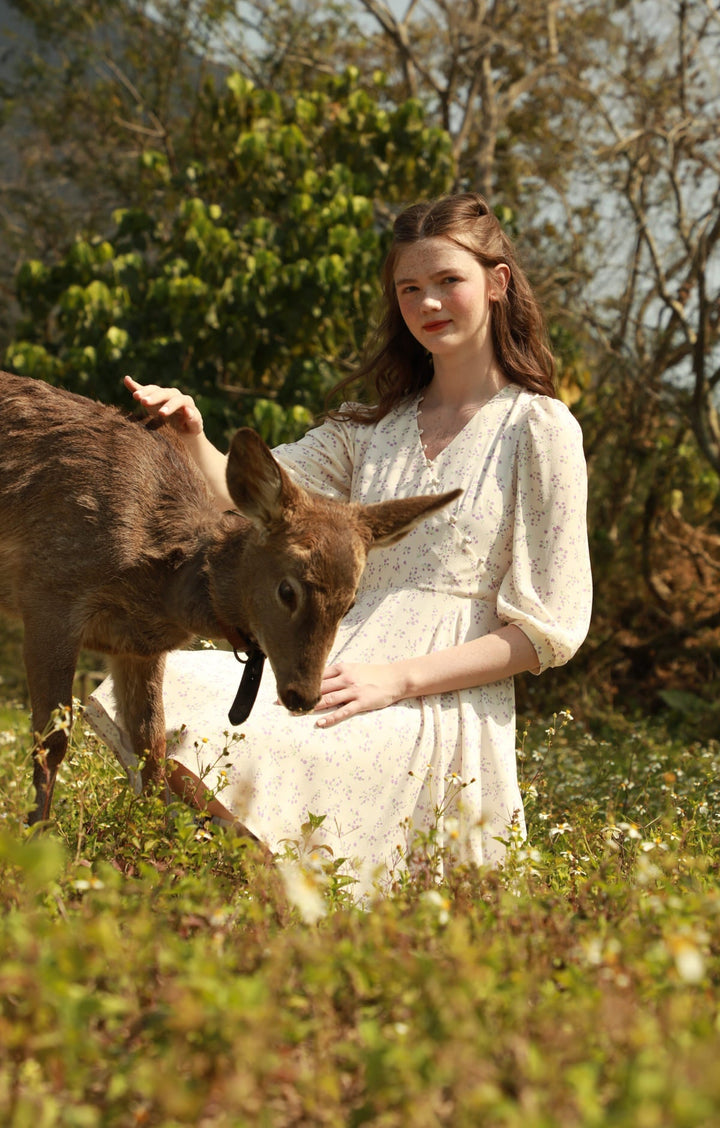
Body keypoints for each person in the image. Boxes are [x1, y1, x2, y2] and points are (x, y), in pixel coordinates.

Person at [86, 192, 592, 895]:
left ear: (497, 283)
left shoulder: (539, 429)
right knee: (172, 683)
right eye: (409, 288)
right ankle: (216, 907)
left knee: (270, 746)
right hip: (331, 665)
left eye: (449, 281)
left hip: (434, 704)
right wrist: (191, 434)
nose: (428, 303)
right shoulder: (371, 427)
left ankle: (282, 919)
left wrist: (398, 679)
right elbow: (256, 501)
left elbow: (549, 632)